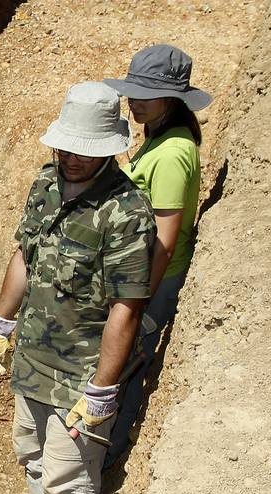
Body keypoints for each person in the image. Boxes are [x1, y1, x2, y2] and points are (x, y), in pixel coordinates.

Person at [0, 82, 155, 494]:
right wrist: (0, 323)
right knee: (32, 455)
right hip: (35, 358)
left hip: (82, 372)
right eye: (66, 146)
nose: (73, 157)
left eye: (86, 149)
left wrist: (102, 391)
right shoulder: (45, 184)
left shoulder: (126, 213)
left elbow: (127, 308)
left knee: (70, 478)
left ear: (108, 148)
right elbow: (25, 256)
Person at [102, 44, 212, 466]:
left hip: (155, 280)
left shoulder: (171, 154)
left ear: (172, 99)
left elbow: (165, 239)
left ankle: (107, 458)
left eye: (145, 93)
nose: (135, 101)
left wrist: (139, 303)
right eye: (133, 91)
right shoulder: (161, 139)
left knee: (127, 367)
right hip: (144, 275)